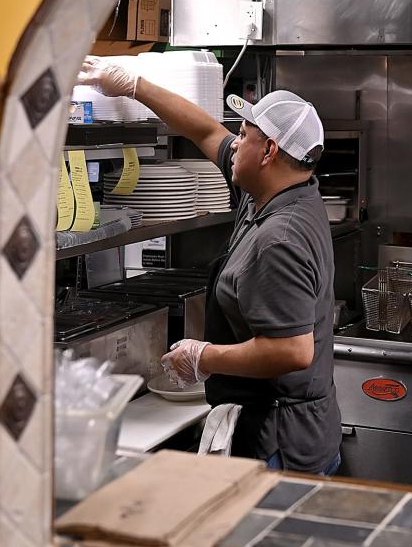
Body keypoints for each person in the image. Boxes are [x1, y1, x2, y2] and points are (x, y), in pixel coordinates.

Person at [77, 57, 342, 475]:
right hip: (289, 430)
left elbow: (292, 349)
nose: (234, 142)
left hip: (280, 448)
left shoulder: (279, 238)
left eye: (244, 134)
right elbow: (203, 129)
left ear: (269, 151)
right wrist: (132, 86)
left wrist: (205, 357)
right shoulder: (276, 191)